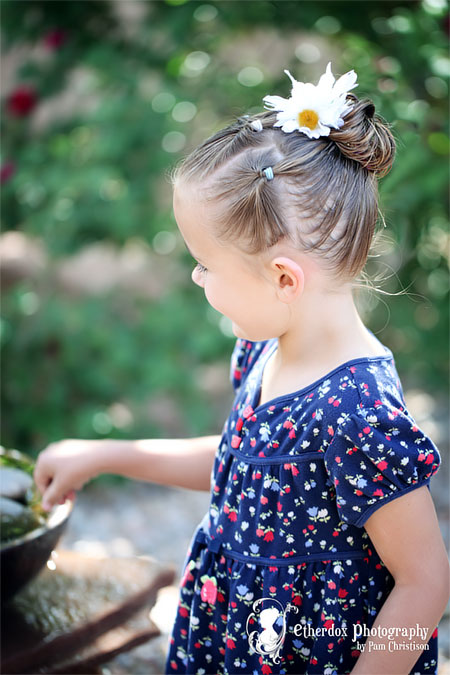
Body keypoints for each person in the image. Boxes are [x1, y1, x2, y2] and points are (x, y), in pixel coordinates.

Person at [34, 63, 449, 675]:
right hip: (234, 641)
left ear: (284, 278)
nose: (197, 278)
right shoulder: (268, 347)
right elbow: (245, 467)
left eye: (206, 264)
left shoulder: (357, 412)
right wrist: (107, 453)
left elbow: (425, 581)